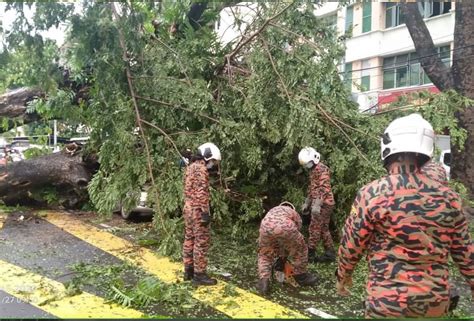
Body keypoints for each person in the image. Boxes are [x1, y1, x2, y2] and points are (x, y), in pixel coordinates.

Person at [336, 113, 474, 318]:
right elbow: (466, 254)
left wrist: (343, 276)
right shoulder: (450, 198)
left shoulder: (372, 193)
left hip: (387, 304)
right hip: (434, 304)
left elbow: (351, 245)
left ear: (388, 146)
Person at [257, 202, 318, 295]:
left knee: (265, 254)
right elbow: (296, 231)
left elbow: (278, 241)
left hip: (265, 227)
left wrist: (282, 255)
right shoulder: (293, 213)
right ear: (291, 208)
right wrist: (290, 249)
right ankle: (301, 276)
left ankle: (264, 280)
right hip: (286, 227)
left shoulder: (273, 210)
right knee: (300, 249)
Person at [182, 142, 221, 286]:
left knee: (189, 238)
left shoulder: (191, 167)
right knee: (201, 242)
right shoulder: (201, 169)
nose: (213, 164)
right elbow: (201, 193)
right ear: (207, 156)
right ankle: (200, 275)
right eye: (213, 161)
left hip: (188, 208)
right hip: (197, 210)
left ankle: (188, 270)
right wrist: (205, 212)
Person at [298, 147, 336, 263]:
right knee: (324, 228)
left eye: (308, 164)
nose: (307, 167)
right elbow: (312, 188)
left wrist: (317, 205)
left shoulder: (322, 169)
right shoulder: (313, 170)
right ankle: (330, 253)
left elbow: (324, 189)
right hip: (319, 203)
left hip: (324, 204)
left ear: (314, 158)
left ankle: (311, 254)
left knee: (314, 227)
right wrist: (307, 202)